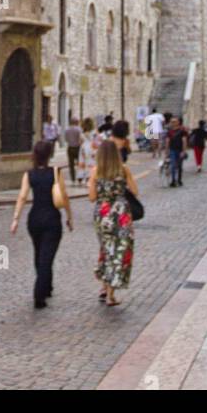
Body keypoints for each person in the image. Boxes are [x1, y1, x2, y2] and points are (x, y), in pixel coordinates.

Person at [10, 140, 72, 308]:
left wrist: (15, 219)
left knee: (40, 254)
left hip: (34, 219)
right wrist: (69, 217)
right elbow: (64, 196)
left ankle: (47, 286)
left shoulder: (29, 174)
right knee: (47, 256)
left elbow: (22, 197)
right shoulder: (55, 173)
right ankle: (39, 293)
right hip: (52, 219)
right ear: (49, 155)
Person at [88, 138, 139, 306]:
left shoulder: (96, 171)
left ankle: (104, 286)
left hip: (102, 214)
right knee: (121, 251)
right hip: (121, 214)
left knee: (106, 249)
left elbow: (92, 197)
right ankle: (110, 293)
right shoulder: (124, 170)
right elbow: (135, 191)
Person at [167, 116, 188, 187]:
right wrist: (166, 151)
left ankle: (179, 179)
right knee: (173, 165)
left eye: (174, 121)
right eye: (172, 122)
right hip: (172, 150)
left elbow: (184, 141)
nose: (173, 123)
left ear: (178, 122)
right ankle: (173, 180)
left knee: (179, 166)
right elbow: (167, 141)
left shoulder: (182, 131)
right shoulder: (169, 131)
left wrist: (184, 151)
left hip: (180, 150)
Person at [78, 117, 100, 183]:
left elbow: (80, 141)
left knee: (82, 162)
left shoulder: (82, 132)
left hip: (83, 148)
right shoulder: (95, 132)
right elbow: (97, 140)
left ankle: (81, 176)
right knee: (92, 162)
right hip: (92, 147)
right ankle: (90, 176)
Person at [63, 116, 83, 185]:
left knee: (71, 165)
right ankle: (79, 179)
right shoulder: (79, 129)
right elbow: (81, 139)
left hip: (70, 148)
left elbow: (66, 139)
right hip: (77, 148)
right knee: (79, 164)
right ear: (77, 122)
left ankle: (73, 179)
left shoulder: (67, 129)